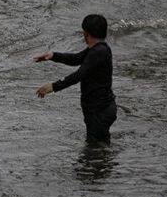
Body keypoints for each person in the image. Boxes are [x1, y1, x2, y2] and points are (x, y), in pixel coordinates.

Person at [34, 14, 117, 144]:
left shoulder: (98, 52)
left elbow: (79, 75)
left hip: (99, 110)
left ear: (86, 34)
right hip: (102, 108)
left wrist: (53, 87)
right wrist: (53, 56)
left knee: (94, 148)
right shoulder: (99, 49)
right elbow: (76, 59)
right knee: (101, 146)